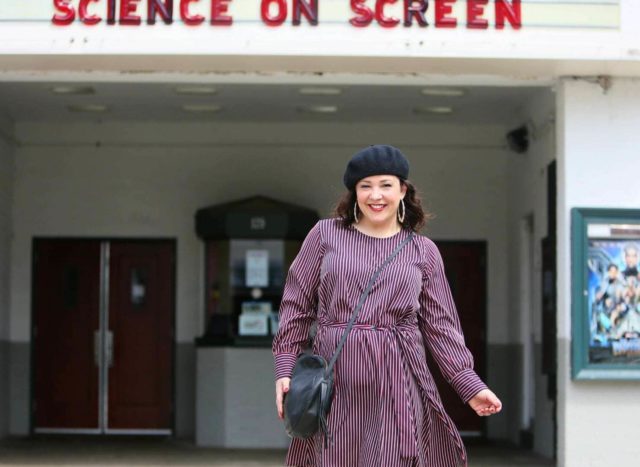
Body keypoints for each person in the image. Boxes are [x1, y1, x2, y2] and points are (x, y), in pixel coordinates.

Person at [272, 144, 502, 467]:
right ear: (354, 192)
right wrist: (285, 366)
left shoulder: (423, 251)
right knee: (335, 457)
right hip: (337, 376)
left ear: (403, 190)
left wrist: (469, 385)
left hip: (397, 376)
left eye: (385, 185)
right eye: (365, 186)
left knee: (396, 456)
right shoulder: (324, 236)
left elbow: (441, 327)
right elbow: (296, 305)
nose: (375, 195)